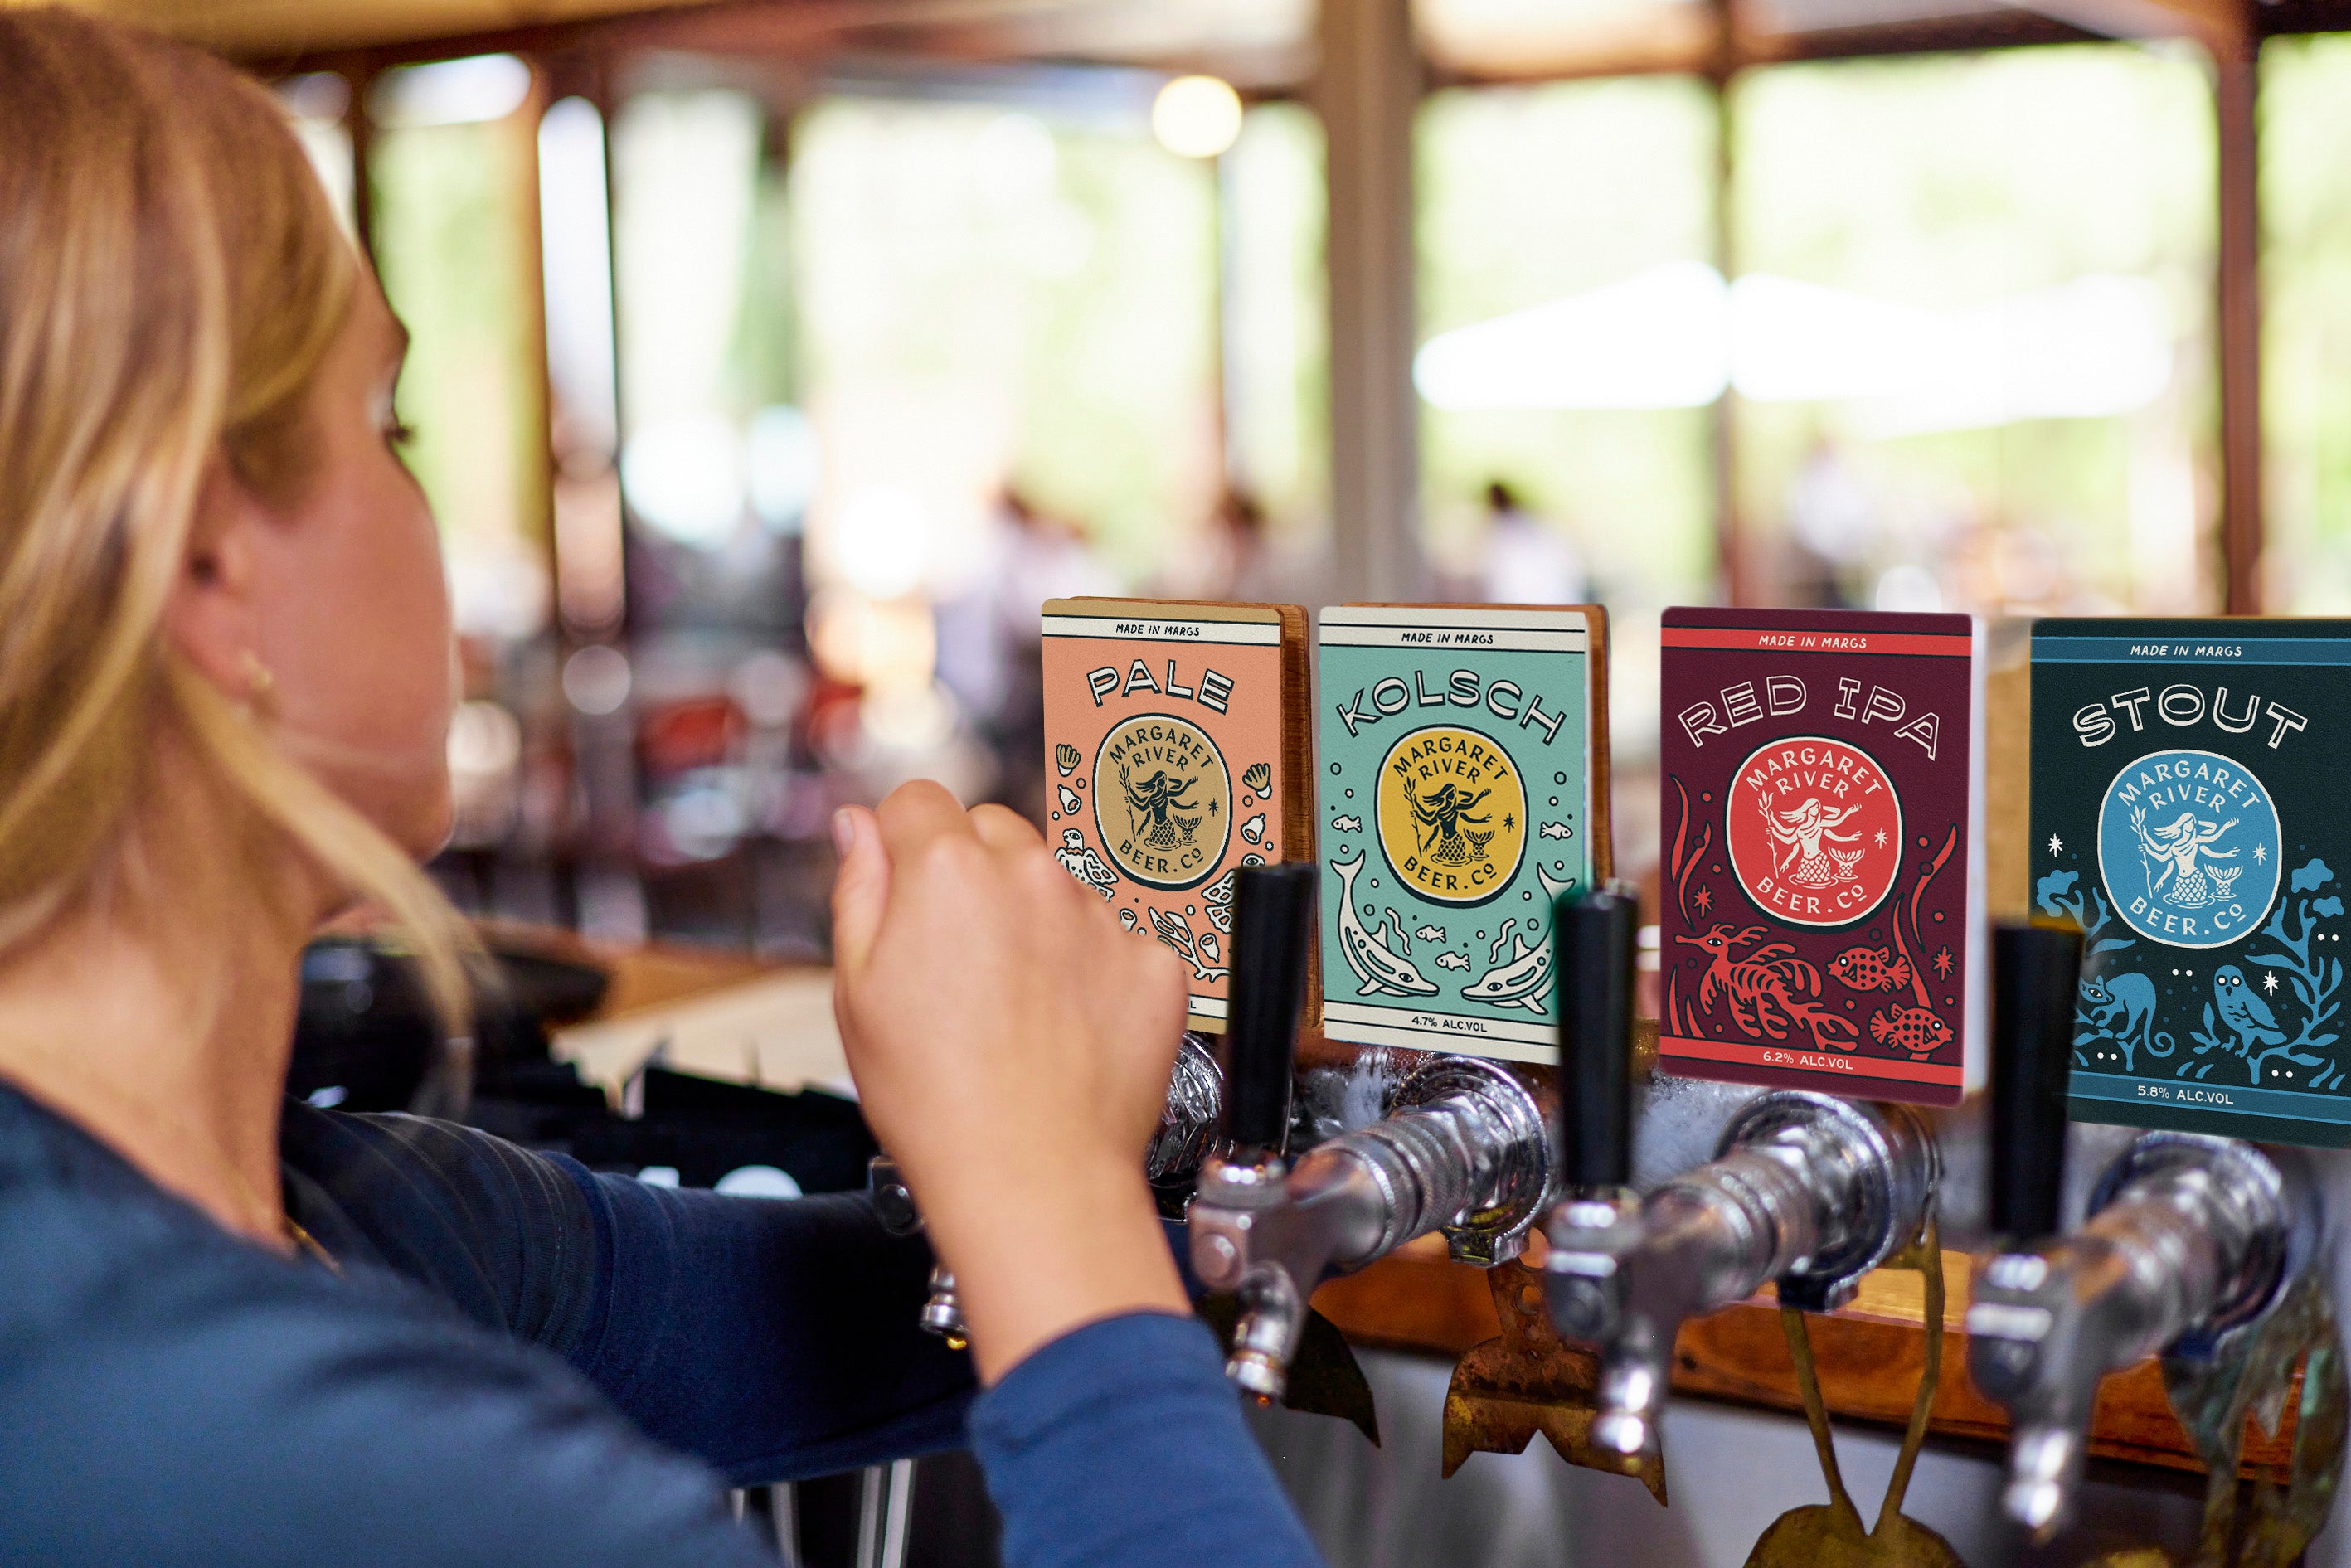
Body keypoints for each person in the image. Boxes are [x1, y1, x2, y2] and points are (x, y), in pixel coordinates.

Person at [0, 13, 1321, 1566]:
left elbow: (814, 1321)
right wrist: (1045, 1189)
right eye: (389, 423)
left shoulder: (353, 1219)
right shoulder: (310, 1459)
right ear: (209, 566)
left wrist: (1143, 1175)